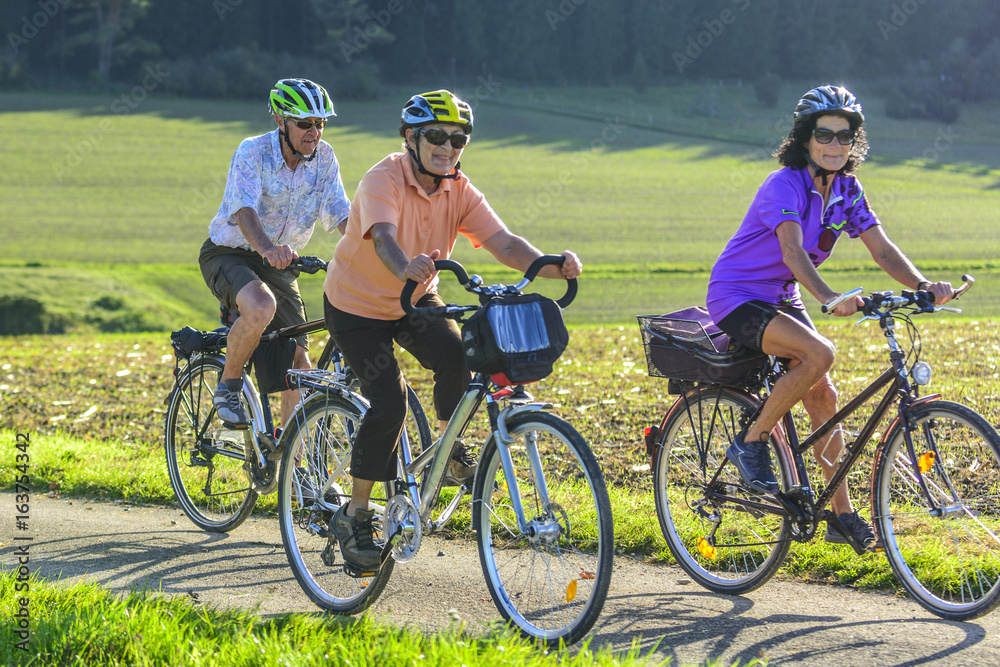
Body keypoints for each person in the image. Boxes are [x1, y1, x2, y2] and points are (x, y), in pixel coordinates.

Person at [322, 90, 582, 571]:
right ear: (410, 138)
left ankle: (448, 444)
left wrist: (553, 266)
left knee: (460, 353)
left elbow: (503, 242)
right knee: (389, 400)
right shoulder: (385, 177)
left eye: (458, 139)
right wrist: (407, 267)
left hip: (414, 301)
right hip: (357, 306)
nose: (448, 147)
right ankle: (355, 513)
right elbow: (383, 239)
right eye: (437, 136)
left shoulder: (458, 188)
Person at [706, 84, 954, 548]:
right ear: (805, 139)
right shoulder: (784, 183)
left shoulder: (847, 190)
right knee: (820, 353)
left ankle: (841, 515)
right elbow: (792, 249)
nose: (836, 145)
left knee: (822, 392)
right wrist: (827, 296)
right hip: (737, 295)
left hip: (781, 295)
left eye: (846, 135)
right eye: (825, 135)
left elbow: (881, 248)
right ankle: (752, 440)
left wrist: (921, 285)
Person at [199, 78, 351, 427]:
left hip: (281, 262)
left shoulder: (324, 158)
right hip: (230, 252)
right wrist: (266, 248)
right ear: (281, 121)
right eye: (305, 124)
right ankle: (228, 387)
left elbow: (342, 213)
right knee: (261, 306)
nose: (314, 132)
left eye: (320, 123)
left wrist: (372, 252)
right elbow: (243, 210)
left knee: (299, 358)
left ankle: (293, 467)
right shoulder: (253, 152)